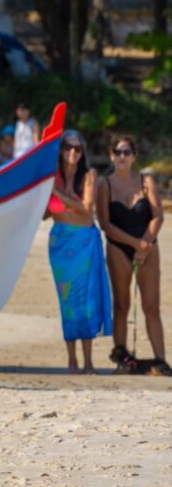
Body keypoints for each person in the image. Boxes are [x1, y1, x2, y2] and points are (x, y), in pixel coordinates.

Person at [96, 135, 169, 375]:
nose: (122, 157)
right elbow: (105, 223)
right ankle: (122, 358)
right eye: (118, 152)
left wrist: (144, 244)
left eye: (127, 152)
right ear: (111, 155)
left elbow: (158, 215)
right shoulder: (104, 185)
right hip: (119, 247)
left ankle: (161, 360)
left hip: (148, 246)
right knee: (121, 306)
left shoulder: (145, 181)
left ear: (134, 156)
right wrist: (134, 244)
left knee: (151, 306)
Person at [46, 130, 111, 374]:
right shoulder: (52, 176)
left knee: (86, 301)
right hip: (61, 243)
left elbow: (85, 209)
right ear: (61, 150)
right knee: (68, 302)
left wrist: (58, 194)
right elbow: (45, 212)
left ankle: (88, 361)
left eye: (77, 149)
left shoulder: (89, 175)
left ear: (83, 152)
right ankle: (72, 360)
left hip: (84, 243)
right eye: (68, 148)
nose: (72, 153)